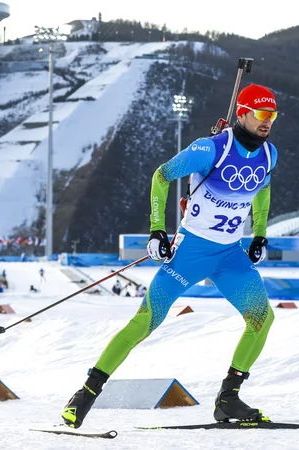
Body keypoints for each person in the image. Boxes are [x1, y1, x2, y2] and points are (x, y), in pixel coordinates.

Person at [61, 84, 279, 429]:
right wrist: (157, 229)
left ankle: (228, 399)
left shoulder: (269, 154)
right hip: (190, 252)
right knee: (145, 322)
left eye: (273, 116)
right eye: (262, 115)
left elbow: (262, 191)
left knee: (261, 319)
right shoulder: (210, 149)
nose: (268, 122)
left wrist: (260, 234)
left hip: (229, 256)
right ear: (243, 113)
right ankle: (85, 393)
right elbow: (161, 176)